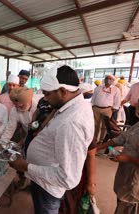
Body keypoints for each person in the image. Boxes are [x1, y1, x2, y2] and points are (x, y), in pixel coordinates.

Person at [10, 65, 94, 214]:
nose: (45, 99)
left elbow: (68, 179)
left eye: (47, 94)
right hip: (42, 179)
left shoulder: (72, 123)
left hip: (48, 187)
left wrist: (25, 166)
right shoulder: (71, 104)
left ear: (63, 91)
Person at [97, 121, 139, 213]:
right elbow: (123, 138)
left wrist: (129, 159)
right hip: (125, 175)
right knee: (121, 202)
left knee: (127, 206)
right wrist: (98, 147)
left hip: (134, 182)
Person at [91, 75, 121, 143]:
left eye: (110, 79)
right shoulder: (98, 88)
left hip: (107, 109)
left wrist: (114, 108)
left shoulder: (116, 89)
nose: (108, 80)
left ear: (113, 80)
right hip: (96, 108)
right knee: (96, 125)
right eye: (107, 78)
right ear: (104, 79)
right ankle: (95, 140)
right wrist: (92, 105)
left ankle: (102, 140)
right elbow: (93, 98)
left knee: (105, 126)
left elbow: (117, 100)